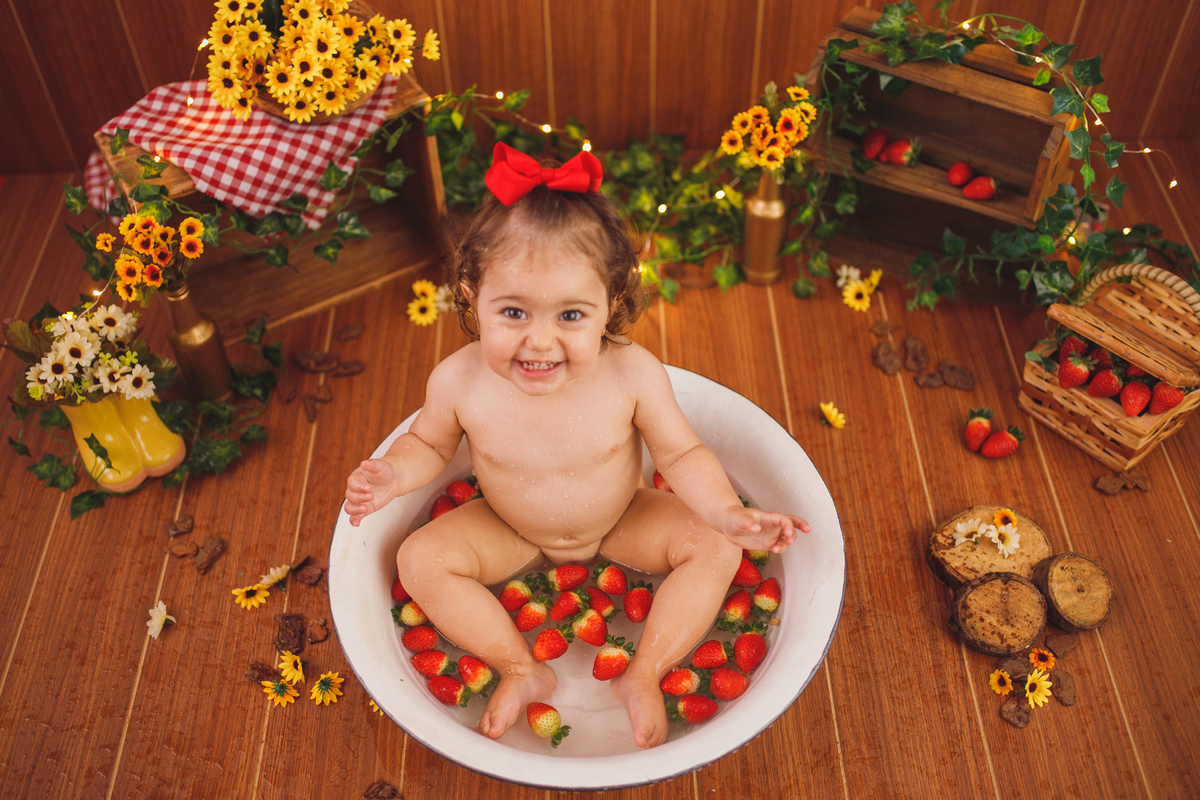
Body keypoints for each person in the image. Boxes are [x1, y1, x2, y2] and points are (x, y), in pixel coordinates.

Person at [344, 142, 810, 749]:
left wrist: (728, 513)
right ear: (470, 298)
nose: (540, 341)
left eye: (570, 316)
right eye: (513, 311)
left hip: (623, 519)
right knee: (417, 560)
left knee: (717, 549)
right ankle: (520, 667)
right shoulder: (458, 382)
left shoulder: (632, 374)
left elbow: (680, 456)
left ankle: (645, 671)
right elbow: (429, 446)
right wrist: (394, 475)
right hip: (508, 529)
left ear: (611, 306)